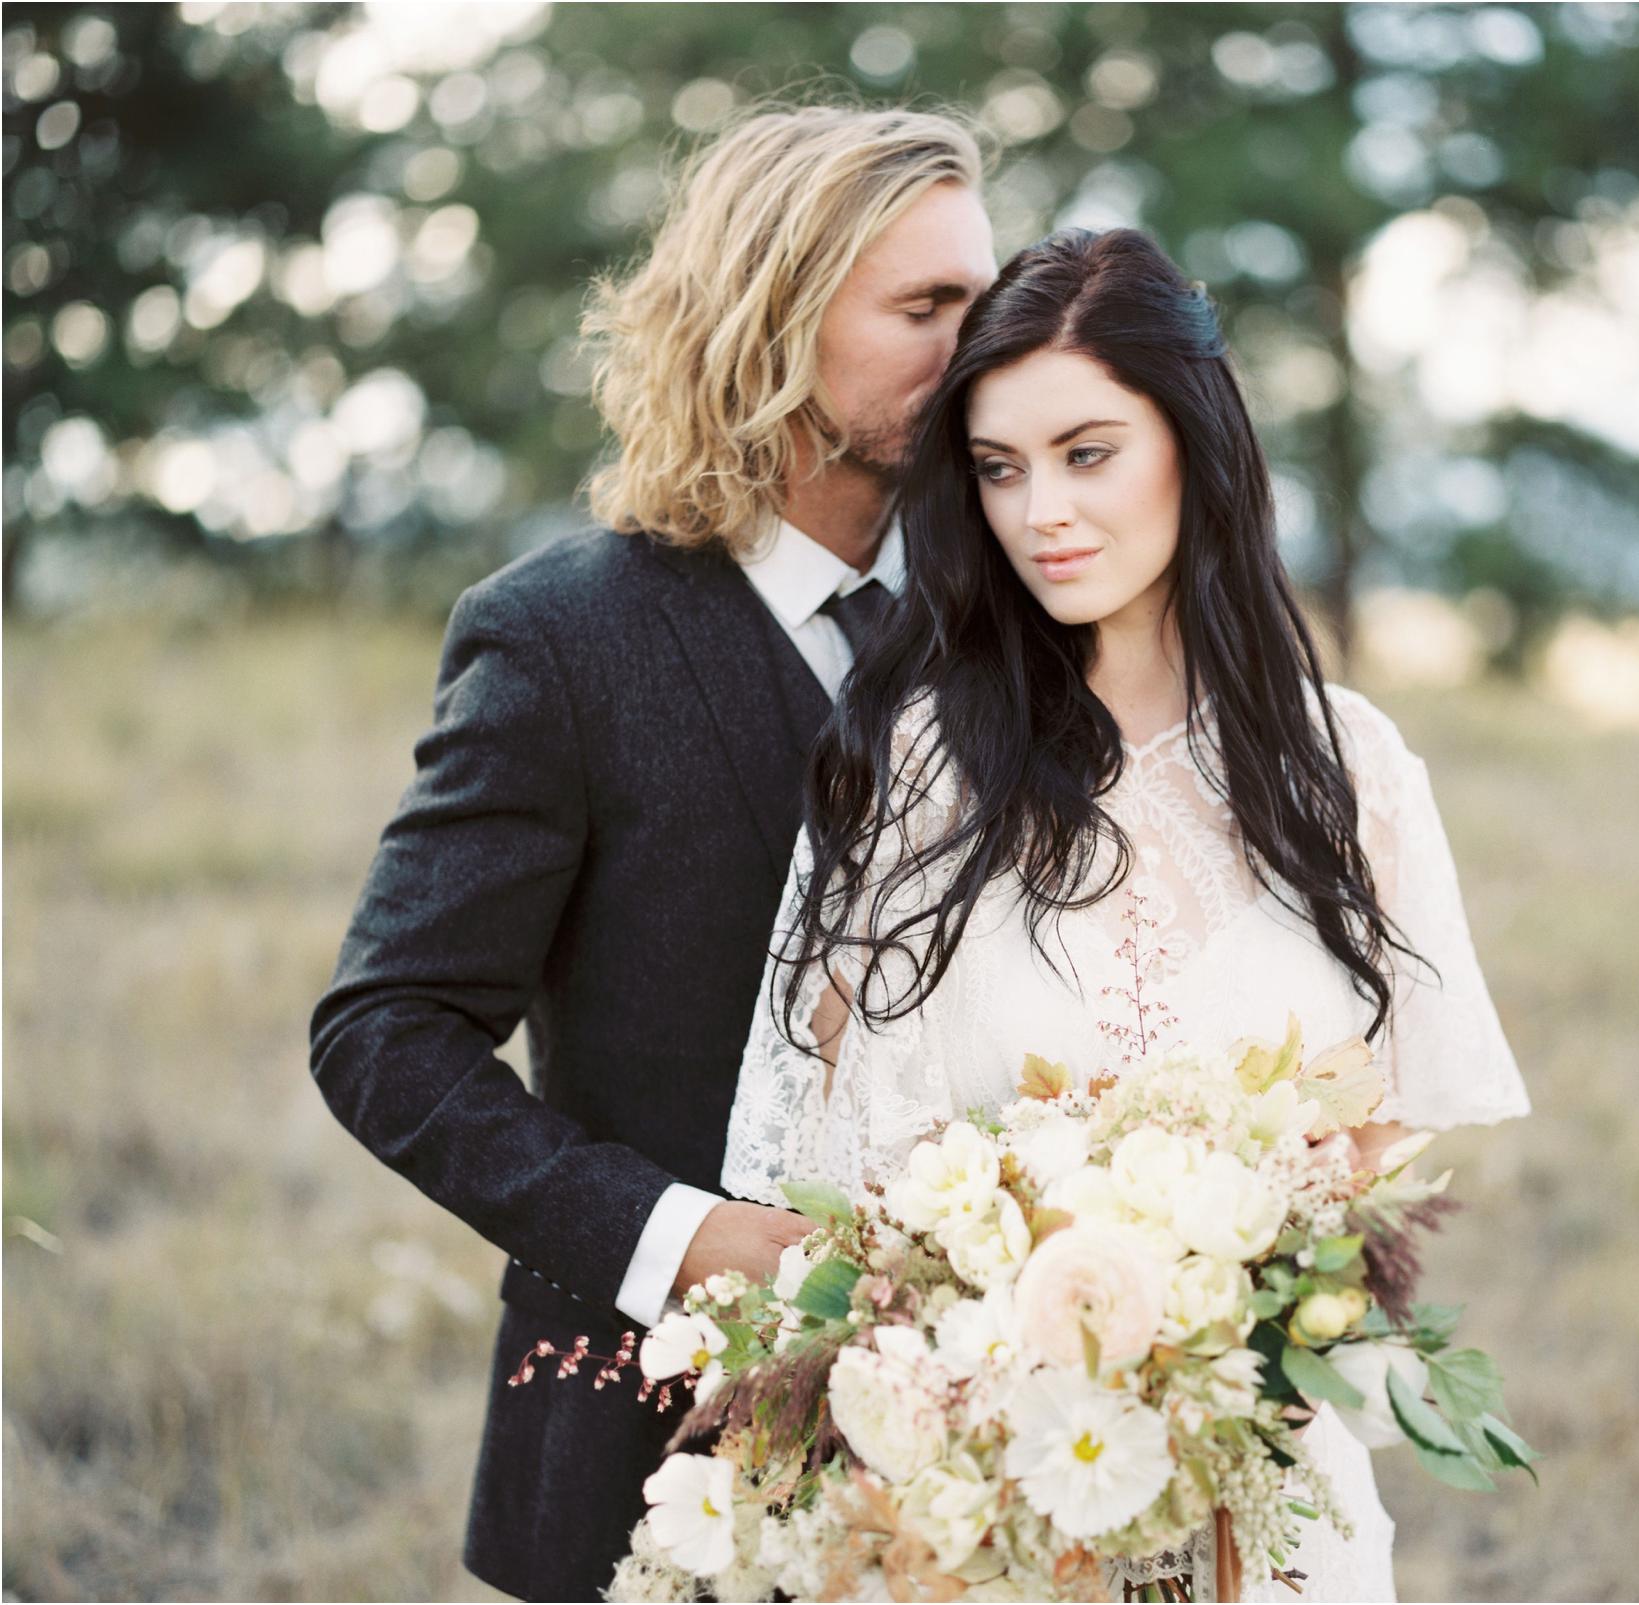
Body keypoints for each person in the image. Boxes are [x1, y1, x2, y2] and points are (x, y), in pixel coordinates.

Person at [723, 228, 1531, 1601]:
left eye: (1087, 452)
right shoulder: (910, 774)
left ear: (1192, 447)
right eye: (998, 467)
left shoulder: (1354, 773)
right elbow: (819, 1169)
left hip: (1273, 1513)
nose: (1042, 510)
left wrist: (1238, 1307)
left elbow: (1380, 1147)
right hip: (987, 1516)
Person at [308, 104, 997, 1602]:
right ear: (776, 316)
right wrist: (683, 1240)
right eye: (927, 305)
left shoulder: (1019, 625)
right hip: (642, 1462)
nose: (979, 343)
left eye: (984, 300)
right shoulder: (560, 639)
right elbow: (384, 1034)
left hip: (989, 1468)